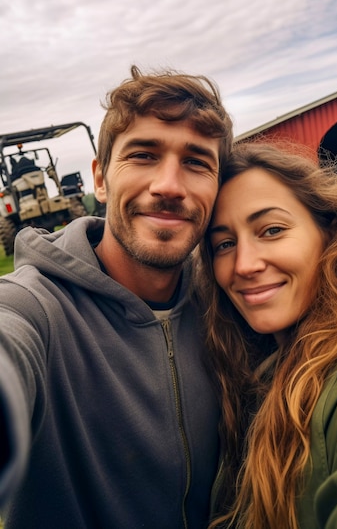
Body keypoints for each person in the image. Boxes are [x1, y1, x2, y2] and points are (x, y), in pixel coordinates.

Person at [0, 66, 233, 528]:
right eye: (144, 155)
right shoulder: (35, 310)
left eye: (196, 161)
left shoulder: (229, 303)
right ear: (101, 179)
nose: (168, 185)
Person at [198, 142, 337, 529]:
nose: (244, 265)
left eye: (272, 230)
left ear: (330, 232)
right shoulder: (246, 370)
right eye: (225, 244)